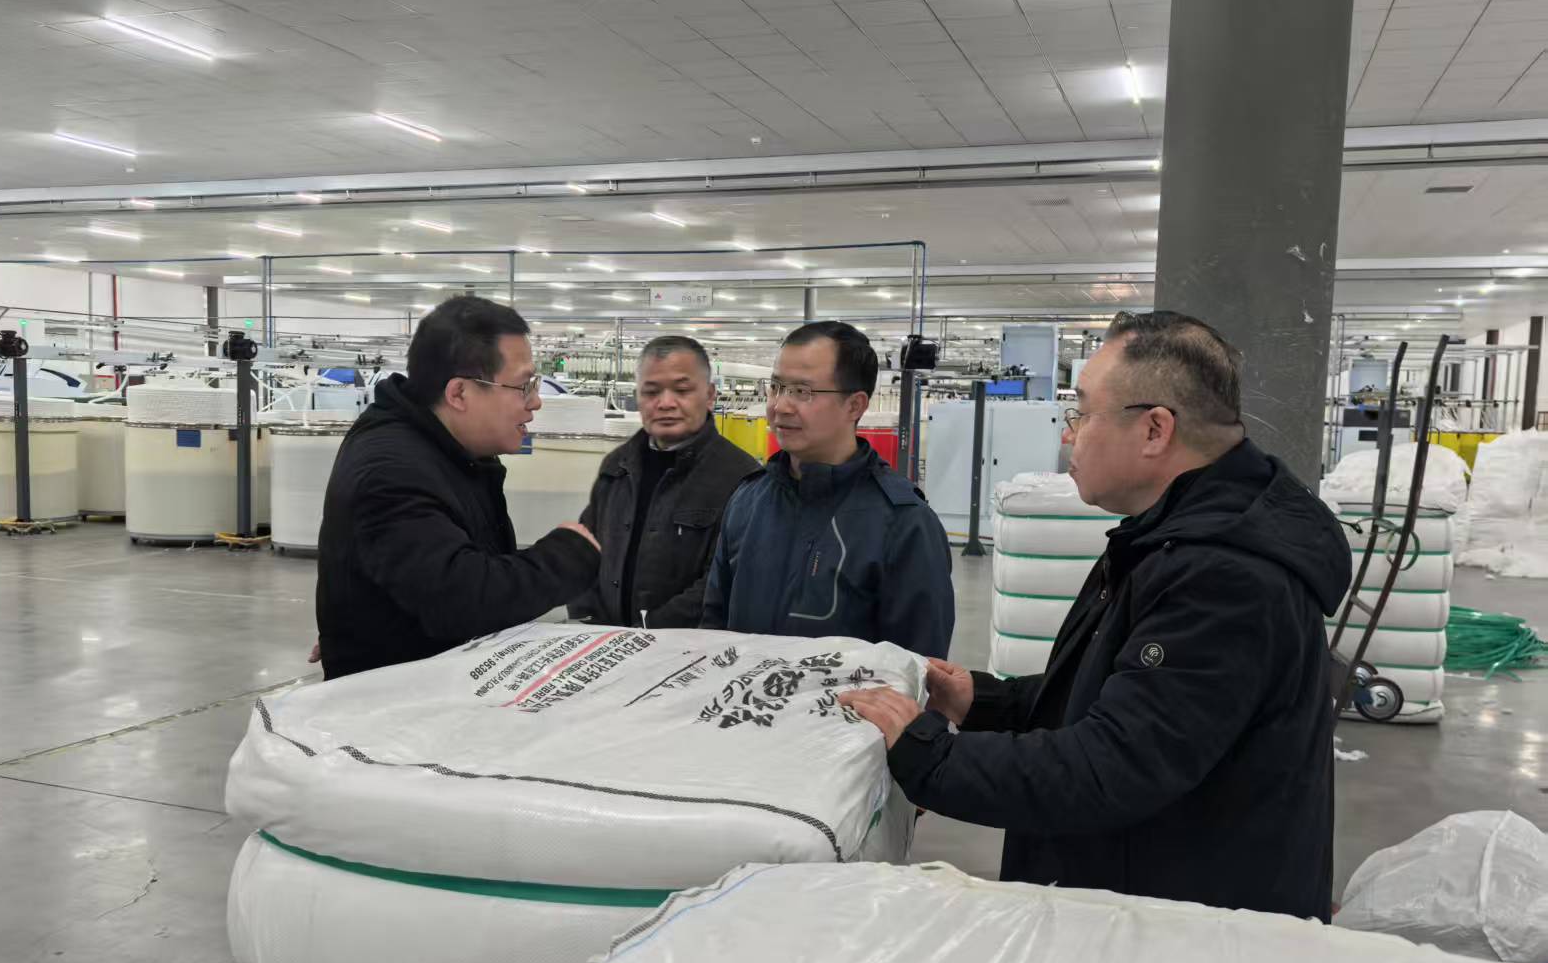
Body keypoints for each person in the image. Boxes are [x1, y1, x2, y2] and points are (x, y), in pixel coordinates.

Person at [839, 310, 1350, 920]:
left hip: (1181, 930)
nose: (1068, 437)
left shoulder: (1225, 576)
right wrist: (986, 702)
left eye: (1081, 414)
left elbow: (1112, 768)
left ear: (1155, 429)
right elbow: (1122, 692)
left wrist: (925, 753)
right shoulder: (1170, 535)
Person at [315, 296, 600, 679]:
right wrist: (568, 556)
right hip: (395, 703)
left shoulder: (452, 451)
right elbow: (462, 600)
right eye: (523, 386)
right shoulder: (391, 470)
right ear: (459, 394)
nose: (535, 402)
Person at [702, 320, 954, 658]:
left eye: (802, 391)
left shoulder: (904, 525)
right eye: (776, 387)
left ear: (855, 405)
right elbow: (713, 627)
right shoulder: (748, 501)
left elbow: (918, 668)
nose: (780, 406)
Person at [567, 336, 760, 629]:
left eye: (682, 390)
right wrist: (589, 621)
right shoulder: (617, 466)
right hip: (605, 643)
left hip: (690, 647)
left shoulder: (741, 477)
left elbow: (723, 581)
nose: (666, 403)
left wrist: (648, 633)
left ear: (710, 395)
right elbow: (585, 552)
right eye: (651, 391)